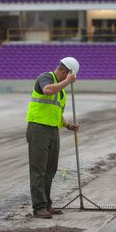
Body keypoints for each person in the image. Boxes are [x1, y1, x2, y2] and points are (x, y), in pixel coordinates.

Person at [26, 57, 79, 219]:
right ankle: (39, 207)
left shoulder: (60, 91)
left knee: (50, 169)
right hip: (38, 129)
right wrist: (67, 82)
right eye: (70, 76)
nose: (69, 79)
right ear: (65, 71)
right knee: (38, 170)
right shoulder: (46, 77)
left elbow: (57, 112)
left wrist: (68, 125)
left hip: (53, 131)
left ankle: (47, 203)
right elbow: (47, 90)